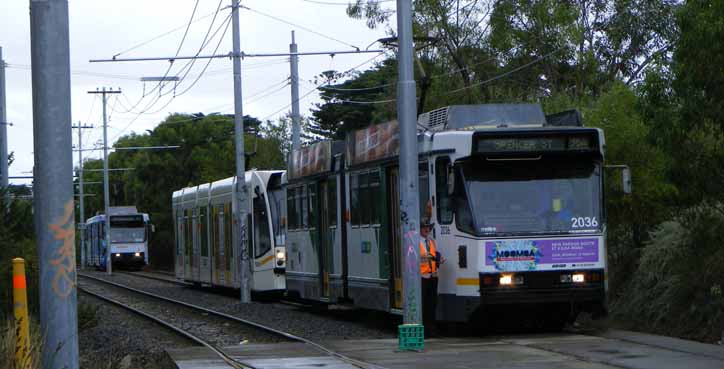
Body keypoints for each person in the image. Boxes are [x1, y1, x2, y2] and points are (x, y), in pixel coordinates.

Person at [419, 220, 443, 333]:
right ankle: (424, 327)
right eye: (424, 227)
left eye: (428, 227)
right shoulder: (416, 242)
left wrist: (439, 259)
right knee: (423, 304)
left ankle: (431, 327)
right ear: (419, 229)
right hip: (422, 277)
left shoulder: (431, 241)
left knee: (432, 303)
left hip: (433, 276)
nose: (427, 229)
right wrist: (426, 258)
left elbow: (434, 254)